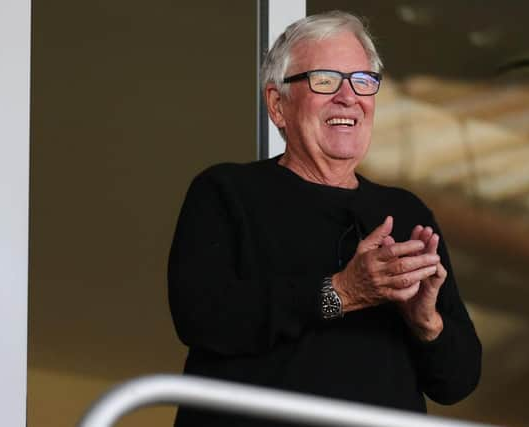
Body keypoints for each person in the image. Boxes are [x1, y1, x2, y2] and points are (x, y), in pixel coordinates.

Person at [168, 10, 481, 427]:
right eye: (325, 80)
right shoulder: (228, 193)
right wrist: (341, 292)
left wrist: (426, 321)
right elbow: (202, 318)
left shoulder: (405, 213)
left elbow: (457, 381)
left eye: (362, 81)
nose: (348, 96)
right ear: (277, 105)